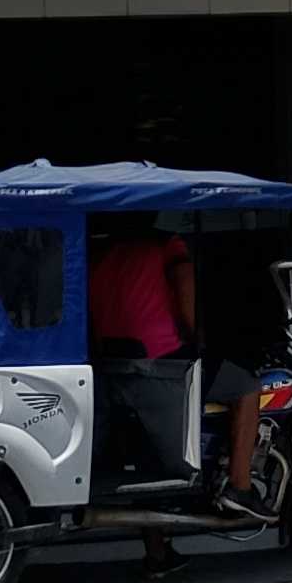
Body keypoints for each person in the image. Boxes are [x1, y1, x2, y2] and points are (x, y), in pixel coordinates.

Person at [85, 223, 261, 552]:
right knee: (247, 386)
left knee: (148, 457)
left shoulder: (101, 251)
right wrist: (197, 340)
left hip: (113, 367)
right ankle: (240, 487)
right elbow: (185, 291)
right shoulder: (168, 245)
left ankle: (158, 552)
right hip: (164, 362)